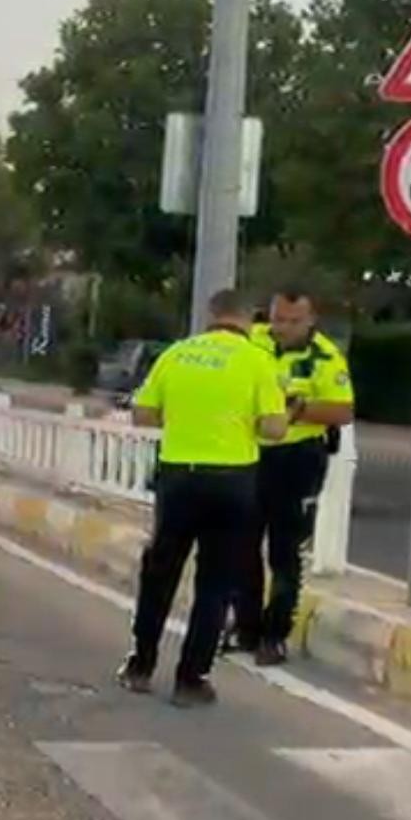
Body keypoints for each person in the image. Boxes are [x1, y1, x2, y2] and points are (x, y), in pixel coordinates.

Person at [121, 289, 288, 707]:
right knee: (215, 584)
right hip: (232, 483)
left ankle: (140, 665)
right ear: (248, 318)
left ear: (210, 315)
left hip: (178, 478)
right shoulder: (258, 362)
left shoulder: (177, 354)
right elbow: (273, 428)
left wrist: (183, 416)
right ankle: (191, 679)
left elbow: (142, 413)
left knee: (159, 575)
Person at [231, 290, 356, 666]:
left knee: (285, 552)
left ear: (311, 320)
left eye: (292, 321)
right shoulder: (251, 341)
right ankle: (245, 627)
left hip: (297, 458)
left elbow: (342, 410)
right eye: (277, 319)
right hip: (251, 455)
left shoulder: (325, 356)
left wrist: (294, 410)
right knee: (241, 546)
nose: (282, 327)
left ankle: (275, 634)